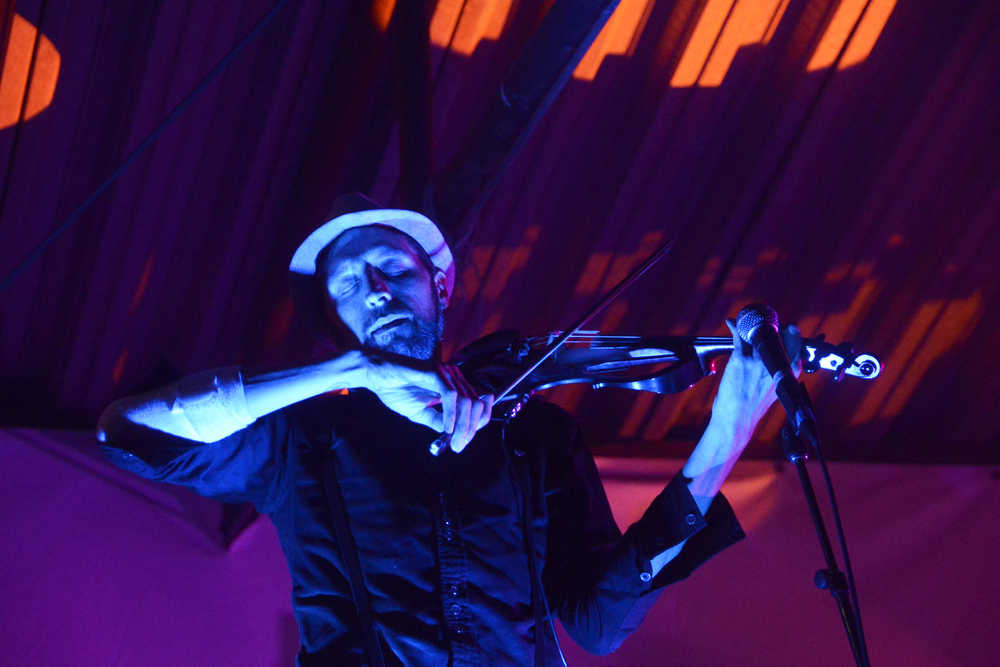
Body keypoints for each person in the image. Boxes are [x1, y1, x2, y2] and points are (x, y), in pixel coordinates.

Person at [97, 194, 795, 666]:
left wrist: (726, 435)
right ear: (337, 320)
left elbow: (597, 621)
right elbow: (128, 430)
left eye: (396, 269)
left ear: (441, 285)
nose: (375, 289)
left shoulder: (535, 434)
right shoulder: (302, 440)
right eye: (349, 284)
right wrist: (355, 370)